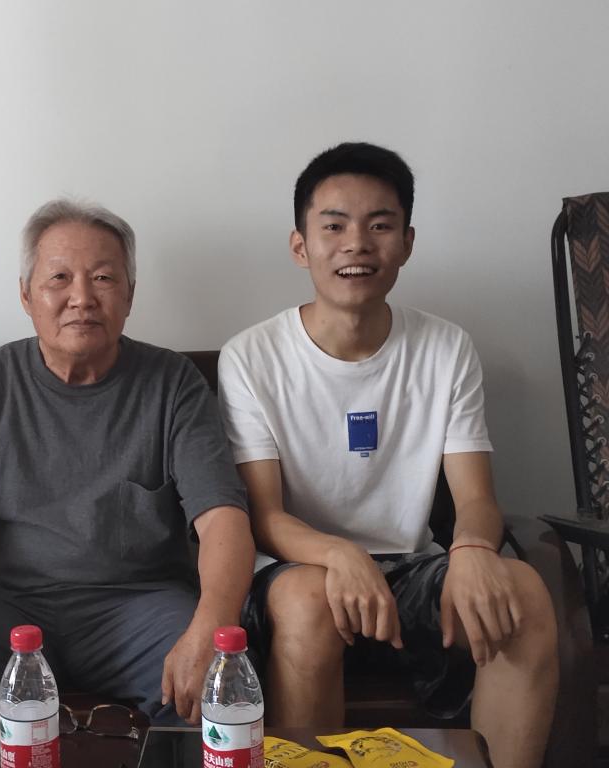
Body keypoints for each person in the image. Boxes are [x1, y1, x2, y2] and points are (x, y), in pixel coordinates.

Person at [216, 142, 558, 768]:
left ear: (406, 243)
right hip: (297, 569)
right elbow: (263, 516)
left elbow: (477, 498)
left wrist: (473, 550)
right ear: (300, 246)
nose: (357, 244)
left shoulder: (446, 348)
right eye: (334, 226)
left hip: (410, 568)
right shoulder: (252, 357)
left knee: (526, 594)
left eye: (379, 225)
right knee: (308, 603)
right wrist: (338, 554)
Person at [0, 198, 255, 734]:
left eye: (103, 278)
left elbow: (223, 520)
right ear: (26, 295)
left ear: (129, 295)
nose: (82, 298)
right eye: (59, 278)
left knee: (220, 685)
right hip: (2, 607)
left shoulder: (172, 385)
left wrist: (210, 630)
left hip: (140, 605)